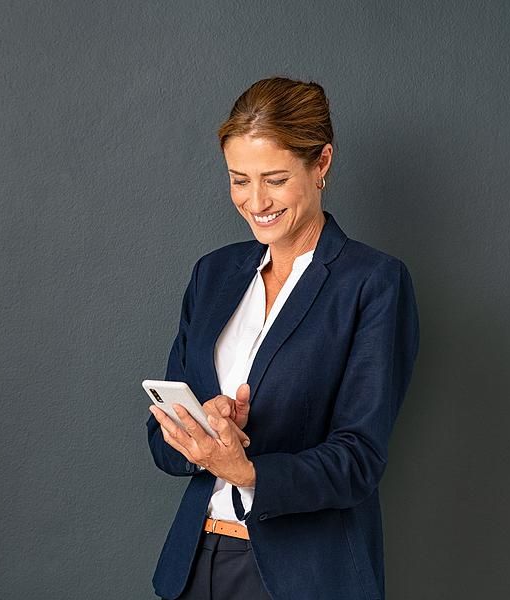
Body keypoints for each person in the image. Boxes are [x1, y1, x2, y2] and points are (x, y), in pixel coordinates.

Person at [146, 77, 420, 600]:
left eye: (274, 179)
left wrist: (249, 471)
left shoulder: (373, 282)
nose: (255, 202)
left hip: (305, 578)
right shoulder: (212, 274)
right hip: (196, 563)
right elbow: (160, 440)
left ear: (321, 165)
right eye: (238, 180)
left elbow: (359, 458)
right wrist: (205, 431)